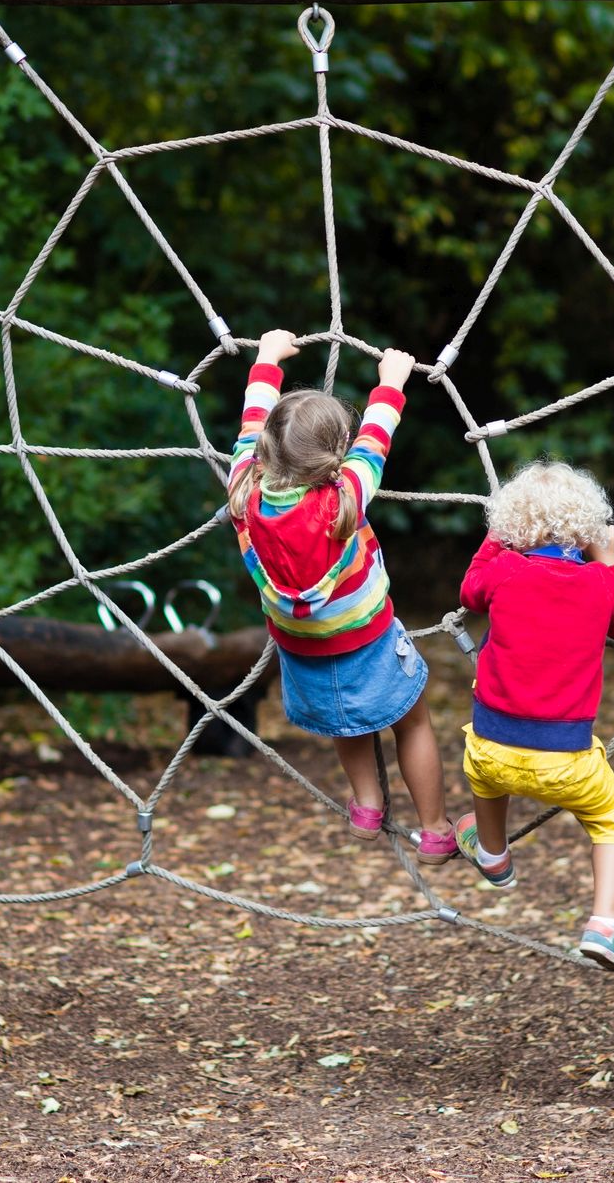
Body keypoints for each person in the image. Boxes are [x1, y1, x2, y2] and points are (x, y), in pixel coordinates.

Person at [227, 329, 455, 863]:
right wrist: (391, 384)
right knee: (413, 721)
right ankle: (436, 828)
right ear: (335, 454)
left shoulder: (244, 491)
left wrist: (265, 359)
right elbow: (376, 437)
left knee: (345, 722)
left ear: (265, 451)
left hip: (300, 649)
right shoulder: (344, 496)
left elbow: (250, 423)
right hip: (367, 641)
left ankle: (368, 805)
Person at [453, 461, 614, 969]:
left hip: (490, 747)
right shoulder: (599, 584)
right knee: (613, 811)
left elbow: (469, 591)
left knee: (486, 774)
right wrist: (608, 560)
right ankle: (605, 926)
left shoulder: (503, 569)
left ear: (513, 526)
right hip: (565, 760)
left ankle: (493, 854)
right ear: (586, 528)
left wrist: (495, 541)